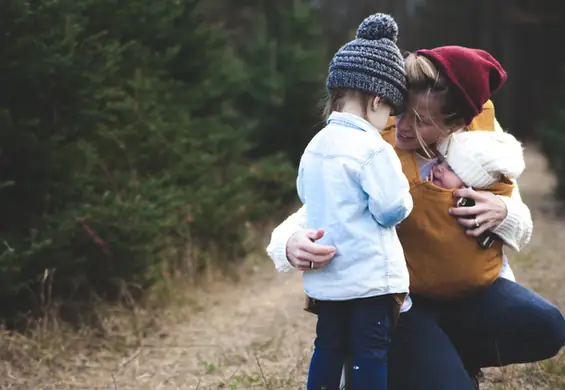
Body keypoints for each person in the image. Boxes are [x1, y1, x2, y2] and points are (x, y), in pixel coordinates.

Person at [267, 45, 565, 390]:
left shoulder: (482, 145)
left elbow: (522, 223)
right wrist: (289, 244)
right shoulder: (373, 142)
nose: (403, 126)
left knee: (547, 326)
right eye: (403, 110)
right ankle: (413, 358)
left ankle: (448, 355)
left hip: (468, 293)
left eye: (422, 121)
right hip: (400, 303)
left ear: (455, 124)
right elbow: (315, 206)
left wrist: (503, 213)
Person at [297, 13, 412, 390]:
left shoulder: (315, 145)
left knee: (328, 346)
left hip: (327, 278)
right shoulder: (372, 148)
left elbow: (305, 196)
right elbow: (391, 208)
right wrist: (405, 200)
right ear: (377, 100)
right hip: (370, 279)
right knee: (369, 352)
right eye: (390, 111)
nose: (388, 121)